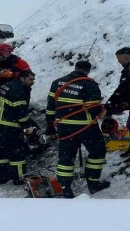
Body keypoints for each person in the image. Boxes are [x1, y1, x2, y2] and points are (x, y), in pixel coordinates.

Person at [45, 60, 109, 198]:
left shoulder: (57, 83)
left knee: (65, 158)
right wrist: (104, 112)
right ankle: (93, 183)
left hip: (64, 127)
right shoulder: (90, 84)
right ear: (88, 70)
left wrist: (49, 126)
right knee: (97, 152)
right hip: (85, 127)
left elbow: (50, 107)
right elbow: (93, 109)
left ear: (75, 68)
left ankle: (65, 188)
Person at [0, 69, 37, 184]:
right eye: (30, 79)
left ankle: (3, 177)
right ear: (22, 78)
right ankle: (19, 178)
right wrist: (28, 127)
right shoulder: (18, 90)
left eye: (34, 79)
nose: (33, 82)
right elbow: (20, 112)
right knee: (18, 152)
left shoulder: (8, 85)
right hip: (8, 125)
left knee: (2, 152)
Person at [113, 47, 130, 159]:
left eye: (119, 59)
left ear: (125, 57)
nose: (118, 61)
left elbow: (123, 89)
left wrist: (116, 103)